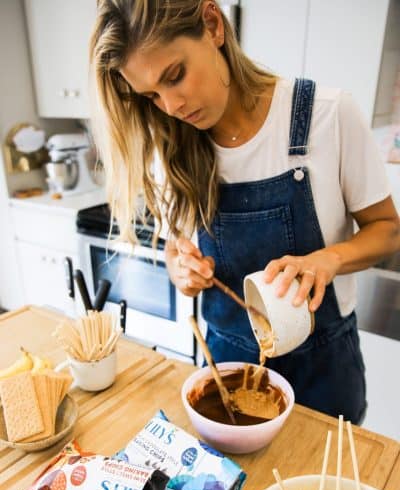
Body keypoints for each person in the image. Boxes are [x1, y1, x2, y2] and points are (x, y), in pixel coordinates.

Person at [90, 0, 400, 423]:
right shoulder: (172, 146)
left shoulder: (326, 117)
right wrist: (180, 269)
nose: (172, 106)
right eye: (151, 96)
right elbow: (175, 246)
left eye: (175, 75)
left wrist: (328, 260)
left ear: (213, 24)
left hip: (324, 373)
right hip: (224, 371)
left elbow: (388, 231)